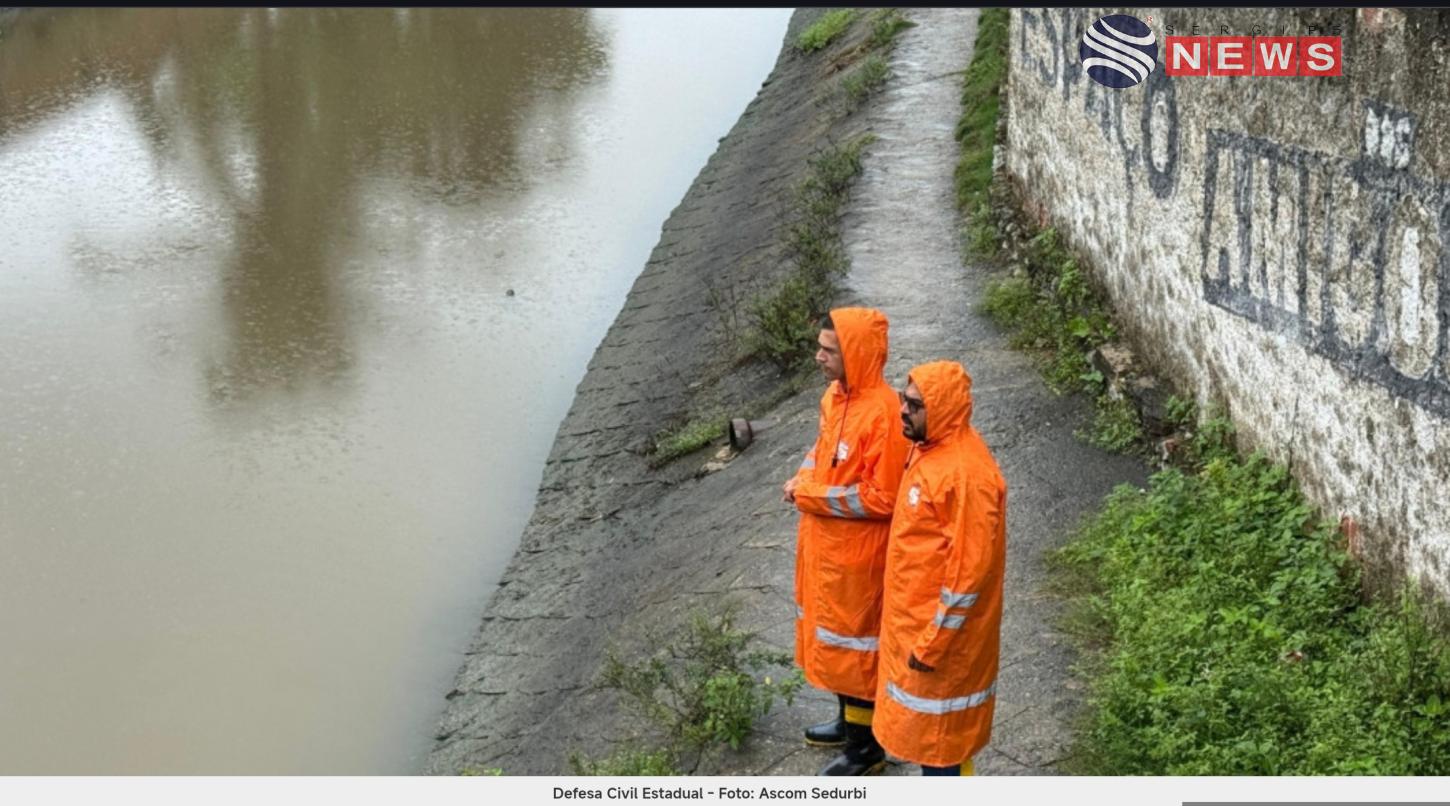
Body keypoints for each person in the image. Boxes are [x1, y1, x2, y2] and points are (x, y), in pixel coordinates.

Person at [783, 307, 910, 776]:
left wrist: (810, 494)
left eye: (828, 350)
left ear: (855, 354)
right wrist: (800, 477)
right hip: (826, 549)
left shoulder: (884, 414)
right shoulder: (833, 400)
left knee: (857, 652)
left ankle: (866, 748)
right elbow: (820, 452)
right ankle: (848, 722)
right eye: (819, 347)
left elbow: (883, 496)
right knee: (835, 644)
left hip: (859, 559)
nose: (818, 357)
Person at [873, 360, 1006, 777]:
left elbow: (969, 576)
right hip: (919, 629)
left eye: (915, 405)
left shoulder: (964, 475)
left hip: (940, 645)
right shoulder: (932, 450)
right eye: (903, 400)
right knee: (932, 739)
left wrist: (932, 644)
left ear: (943, 410)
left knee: (942, 745)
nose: (902, 411)